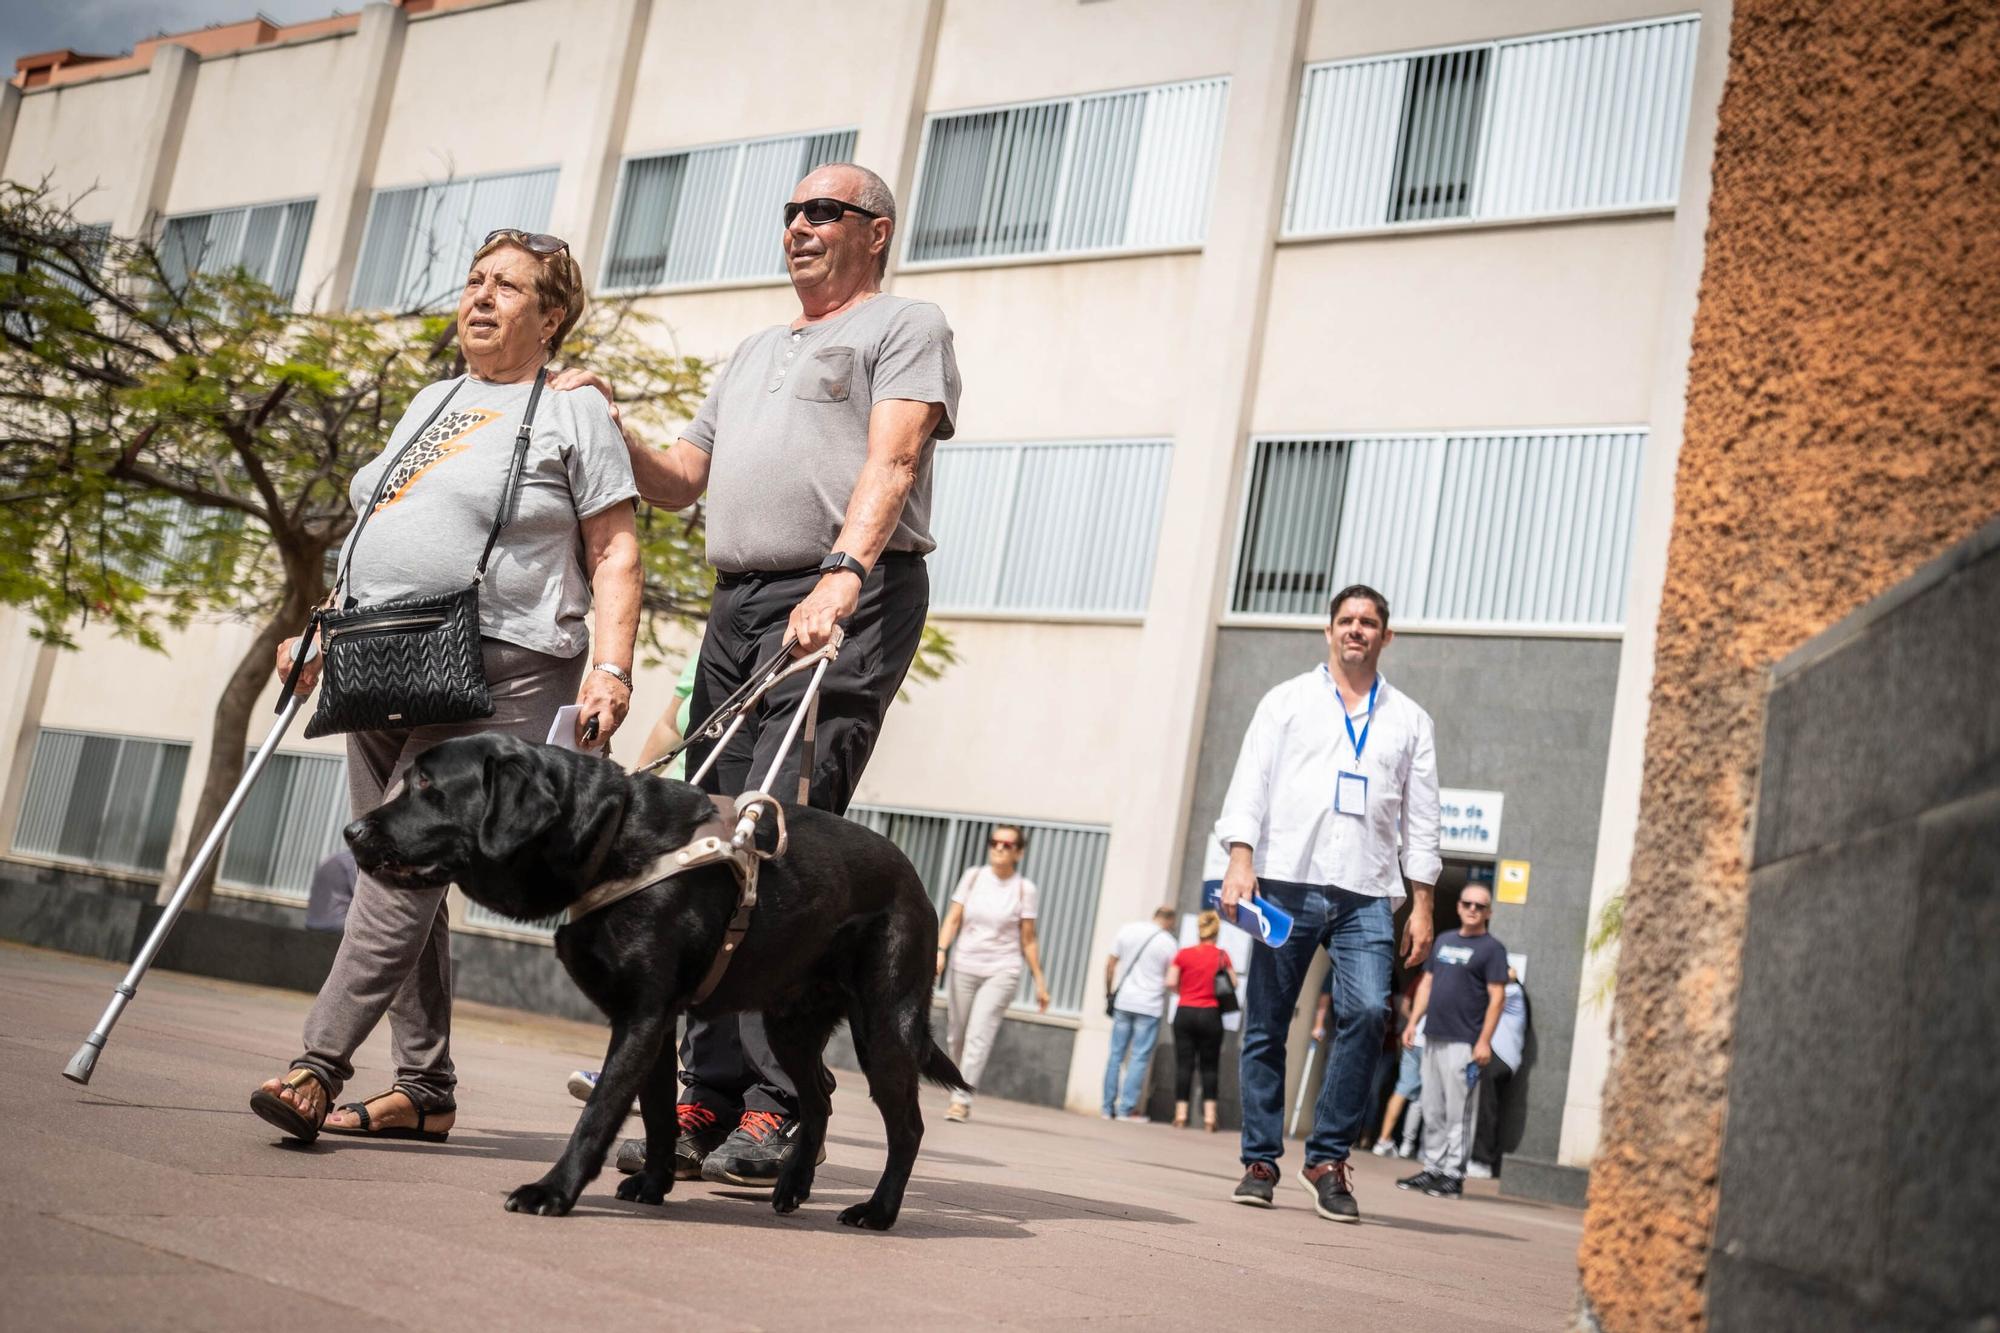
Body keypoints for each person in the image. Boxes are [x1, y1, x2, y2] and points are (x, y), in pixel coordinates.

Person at [572, 163, 959, 1188]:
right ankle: (696, 1093)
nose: (798, 224)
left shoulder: (904, 324)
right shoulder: (750, 351)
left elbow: (894, 460)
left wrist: (841, 574)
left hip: (842, 590)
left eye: (822, 210)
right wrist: (614, 428)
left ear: (873, 231)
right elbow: (679, 483)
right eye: (789, 210)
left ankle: (777, 1103)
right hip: (738, 602)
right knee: (700, 835)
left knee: (779, 835)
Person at [250, 229, 641, 1142]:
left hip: (501, 660)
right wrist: (317, 627)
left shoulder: (572, 410)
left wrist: (613, 668)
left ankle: (317, 1064)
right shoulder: (432, 401)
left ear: (551, 317)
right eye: (474, 280)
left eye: (507, 286)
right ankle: (425, 1088)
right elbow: (374, 532)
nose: (480, 297)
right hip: (383, 652)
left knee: (401, 863)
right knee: (392, 859)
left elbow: (616, 549)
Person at [1215, 584, 1440, 1222]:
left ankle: (1326, 1157)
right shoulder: (1286, 702)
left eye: (1369, 623)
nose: (1356, 631)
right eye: (1346, 620)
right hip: (1285, 880)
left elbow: (1423, 820)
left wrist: (1422, 902)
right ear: (1329, 630)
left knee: (1369, 1011)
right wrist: (1240, 857)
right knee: (1267, 1020)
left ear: (1385, 636)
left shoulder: (1410, 720)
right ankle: (1261, 1159)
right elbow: (1250, 780)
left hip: (1368, 890)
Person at [567, 654, 699, 1105]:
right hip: (671, 813)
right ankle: (635, 1069)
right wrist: (636, 784)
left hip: (714, 824)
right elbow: (670, 725)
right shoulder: (710, 648)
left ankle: (675, 1083)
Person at [1396, 883, 1508, 1198]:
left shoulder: (1492, 949)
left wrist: (1484, 1041)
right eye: (1468, 903)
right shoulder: (1444, 941)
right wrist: (1414, 1023)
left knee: (1459, 1111)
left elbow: (1497, 997)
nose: (1473, 909)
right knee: (1431, 1106)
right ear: (1459, 906)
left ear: (1488, 912)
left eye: (1480, 906)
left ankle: (1453, 1175)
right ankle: (1432, 1168)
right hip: (1433, 1036)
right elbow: (1427, 984)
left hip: (1465, 1041)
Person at [934, 823, 1051, 1121]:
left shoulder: (1025, 889)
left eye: (1007, 845)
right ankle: (961, 1084)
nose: (999, 848)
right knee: (956, 1036)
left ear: (1019, 853)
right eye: (994, 842)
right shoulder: (973, 877)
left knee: (978, 1034)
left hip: (1002, 969)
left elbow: (1028, 938)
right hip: (964, 964)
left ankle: (961, 1098)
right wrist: (940, 951)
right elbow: (953, 919)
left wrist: (1040, 981)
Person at [1102, 905, 1178, 1121]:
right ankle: (1126, 1110)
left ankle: (1107, 1109)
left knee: (1115, 1055)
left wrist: (1108, 993)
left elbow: (1110, 965)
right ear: (1170, 921)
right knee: (1139, 1057)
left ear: (1154, 915)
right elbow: (1172, 979)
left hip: (1124, 1001)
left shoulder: (1127, 930)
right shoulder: (1169, 943)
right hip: (1149, 1004)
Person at [1164, 910, 1236, 1130]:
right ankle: (1210, 1118)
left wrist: (1184, 991)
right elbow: (1234, 983)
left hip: (1185, 1011)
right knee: (1210, 1066)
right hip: (1210, 1014)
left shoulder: (1183, 954)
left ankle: (1181, 1115)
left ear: (1199, 931)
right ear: (1216, 931)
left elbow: (1170, 981)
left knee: (1184, 1065)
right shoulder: (1222, 956)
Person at [1468, 967, 1526, 1178]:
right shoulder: (1512, 992)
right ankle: (1477, 1158)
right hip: (1499, 1058)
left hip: (1500, 1058)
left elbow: (1487, 991)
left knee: (1486, 1110)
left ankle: (1482, 1161)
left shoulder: (1513, 992)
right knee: (1484, 1109)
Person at [1371, 973, 1424, 1158]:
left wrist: (1413, 1023)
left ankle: (1385, 1140)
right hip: (1431, 1040)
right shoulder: (1436, 976)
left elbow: (1405, 1006)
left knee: (1403, 1090)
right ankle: (1411, 1145)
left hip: (1413, 1038)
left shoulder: (1422, 977)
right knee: (1424, 1097)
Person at [304, 848, 356, 933]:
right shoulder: (352, 862)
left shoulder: (332, 858)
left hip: (311, 922)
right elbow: (365, 897)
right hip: (336, 923)